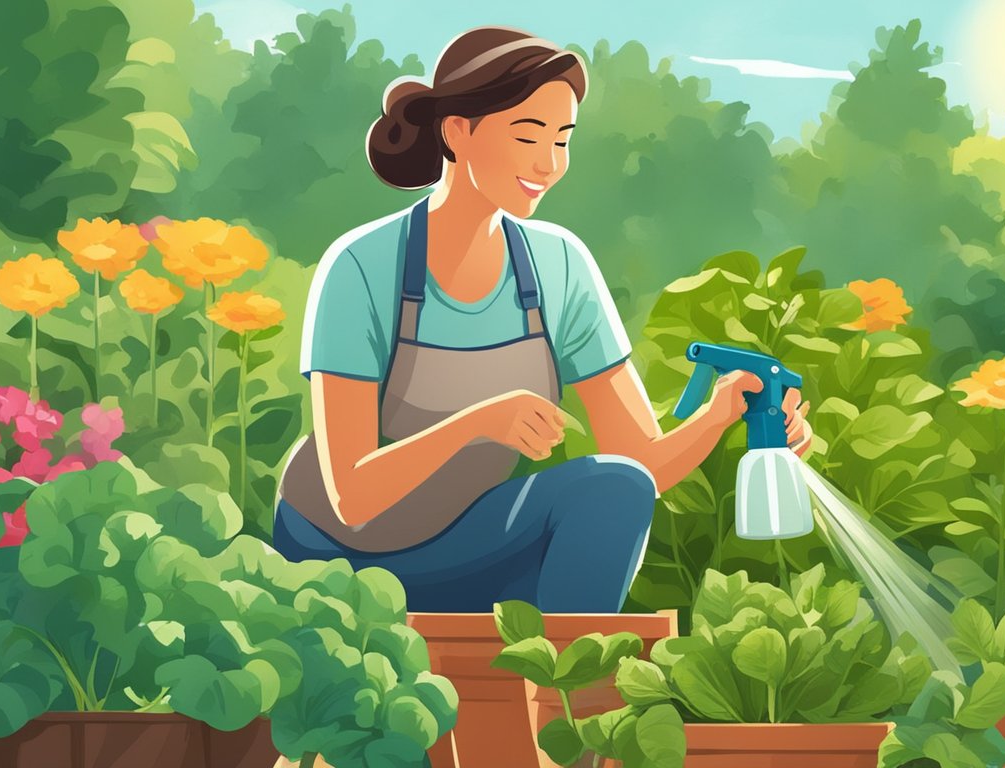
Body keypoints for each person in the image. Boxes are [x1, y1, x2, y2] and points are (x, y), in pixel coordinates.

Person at [272, 25, 813, 613]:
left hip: (463, 547)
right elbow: (351, 494)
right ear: (458, 131)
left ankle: (565, 695)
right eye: (528, 136)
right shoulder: (361, 266)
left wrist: (720, 414)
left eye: (561, 140)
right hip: (337, 561)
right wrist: (478, 423)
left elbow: (639, 467)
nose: (549, 163)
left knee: (614, 486)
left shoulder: (558, 266)